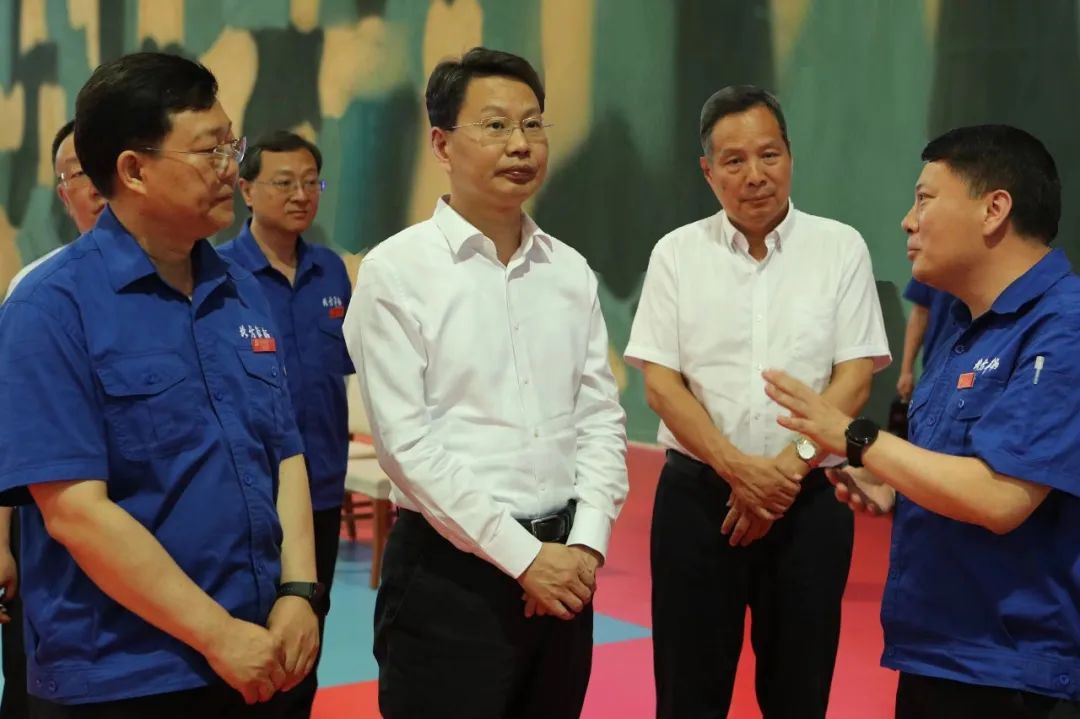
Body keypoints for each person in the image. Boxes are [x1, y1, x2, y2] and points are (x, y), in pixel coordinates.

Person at [0, 52, 322, 717]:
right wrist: (216, 634)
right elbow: (75, 511)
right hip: (125, 674)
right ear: (133, 170)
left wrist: (298, 591)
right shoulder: (51, 307)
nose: (230, 169)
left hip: (259, 653)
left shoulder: (240, 291)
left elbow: (283, 449)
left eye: (231, 145)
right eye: (209, 150)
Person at [343, 47, 629, 719]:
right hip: (450, 578)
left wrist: (585, 545)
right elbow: (408, 447)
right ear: (442, 143)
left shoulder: (569, 270)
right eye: (495, 125)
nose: (520, 144)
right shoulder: (396, 272)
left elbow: (599, 416)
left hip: (564, 574)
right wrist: (525, 558)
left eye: (532, 124)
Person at [764, 124, 1080, 718]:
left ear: (994, 209)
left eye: (925, 199)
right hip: (934, 656)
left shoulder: (1063, 327)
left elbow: (1000, 498)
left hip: (1014, 676)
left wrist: (857, 438)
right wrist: (893, 484)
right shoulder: (962, 325)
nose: (908, 221)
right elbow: (957, 468)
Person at [624, 85, 890, 718]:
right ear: (707, 170)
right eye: (734, 160)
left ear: (790, 156)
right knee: (688, 694)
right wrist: (738, 470)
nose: (755, 175)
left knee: (800, 695)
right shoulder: (676, 254)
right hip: (697, 501)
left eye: (769, 155)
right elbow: (661, 385)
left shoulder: (840, 248)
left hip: (809, 505)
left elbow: (854, 378)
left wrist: (784, 474)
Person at [218, 130, 353, 719]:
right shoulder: (219, 274)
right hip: (247, 492)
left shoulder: (331, 272)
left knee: (308, 626)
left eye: (310, 182)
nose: (301, 195)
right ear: (246, 189)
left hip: (321, 489)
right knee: (246, 628)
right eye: (283, 183)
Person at [0, 119, 105, 719]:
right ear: (64, 193)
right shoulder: (36, 291)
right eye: (78, 174)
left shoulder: (208, 283)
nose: (95, 186)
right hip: (55, 538)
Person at [896, 278, 956, 401]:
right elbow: (920, 312)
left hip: (985, 367)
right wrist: (906, 371)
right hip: (938, 367)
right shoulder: (934, 266)